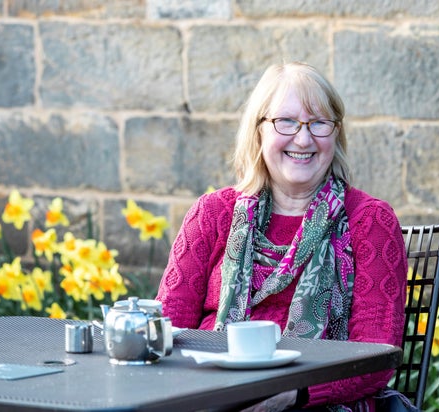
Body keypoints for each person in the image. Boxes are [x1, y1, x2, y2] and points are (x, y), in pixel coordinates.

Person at [156, 61, 408, 412]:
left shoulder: (370, 221)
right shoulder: (213, 214)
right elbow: (166, 330)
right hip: (208, 396)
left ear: (336, 134)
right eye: (285, 122)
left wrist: (296, 394)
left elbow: (376, 354)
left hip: (316, 402)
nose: (303, 139)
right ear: (258, 130)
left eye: (319, 123)